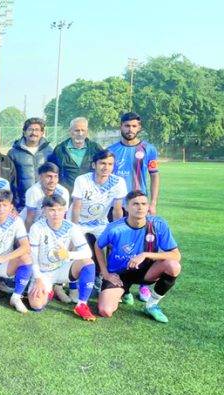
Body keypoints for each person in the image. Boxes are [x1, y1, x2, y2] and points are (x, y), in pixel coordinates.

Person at [95, 191, 181, 323]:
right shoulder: (115, 228)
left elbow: (176, 255)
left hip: (146, 271)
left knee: (173, 266)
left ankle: (151, 305)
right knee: (105, 311)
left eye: (143, 204)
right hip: (119, 274)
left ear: (148, 207)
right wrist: (105, 273)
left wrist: (145, 254)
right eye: (135, 204)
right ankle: (124, 291)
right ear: (127, 207)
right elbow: (98, 245)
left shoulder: (158, 224)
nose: (140, 207)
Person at [107, 112, 161, 303]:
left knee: (145, 243)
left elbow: (154, 175)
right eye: (127, 125)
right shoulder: (111, 150)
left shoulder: (148, 149)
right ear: (120, 127)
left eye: (134, 126)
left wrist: (152, 203)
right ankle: (123, 284)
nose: (130, 129)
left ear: (140, 128)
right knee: (116, 243)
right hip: (119, 205)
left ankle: (144, 286)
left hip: (140, 205)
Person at [27, 195, 96, 321]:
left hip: (61, 269)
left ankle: (81, 305)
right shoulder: (37, 228)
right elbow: (32, 257)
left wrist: (68, 255)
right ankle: (50, 290)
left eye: (59, 209)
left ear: (65, 210)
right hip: (43, 273)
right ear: (44, 210)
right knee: (36, 305)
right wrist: (38, 279)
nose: (56, 213)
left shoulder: (71, 227)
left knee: (88, 262)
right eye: (51, 210)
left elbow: (87, 252)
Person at [70, 149, 127, 269]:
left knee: (113, 243)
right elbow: (76, 207)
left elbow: (117, 210)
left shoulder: (119, 182)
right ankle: (70, 281)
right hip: (78, 220)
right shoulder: (82, 180)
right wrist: (74, 229)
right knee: (73, 245)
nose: (106, 167)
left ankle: (107, 274)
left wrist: (117, 231)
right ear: (94, 165)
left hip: (99, 221)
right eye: (102, 163)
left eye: (110, 164)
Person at [48, 117, 103, 194]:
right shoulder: (60, 149)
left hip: (90, 195)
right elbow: (52, 171)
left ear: (87, 132)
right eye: (77, 130)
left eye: (83, 130)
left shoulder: (96, 149)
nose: (80, 134)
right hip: (66, 195)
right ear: (70, 131)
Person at [8, 117, 54, 209]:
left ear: (42, 133)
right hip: (22, 204)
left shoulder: (49, 151)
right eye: (30, 130)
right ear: (24, 132)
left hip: (45, 202)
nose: (33, 133)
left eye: (37, 130)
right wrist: (15, 202)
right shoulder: (13, 153)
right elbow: (11, 180)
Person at [21, 162, 70, 230]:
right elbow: (29, 219)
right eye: (49, 176)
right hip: (34, 225)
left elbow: (63, 216)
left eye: (55, 177)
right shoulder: (33, 191)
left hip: (51, 225)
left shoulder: (63, 192)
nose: (52, 180)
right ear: (40, 178)